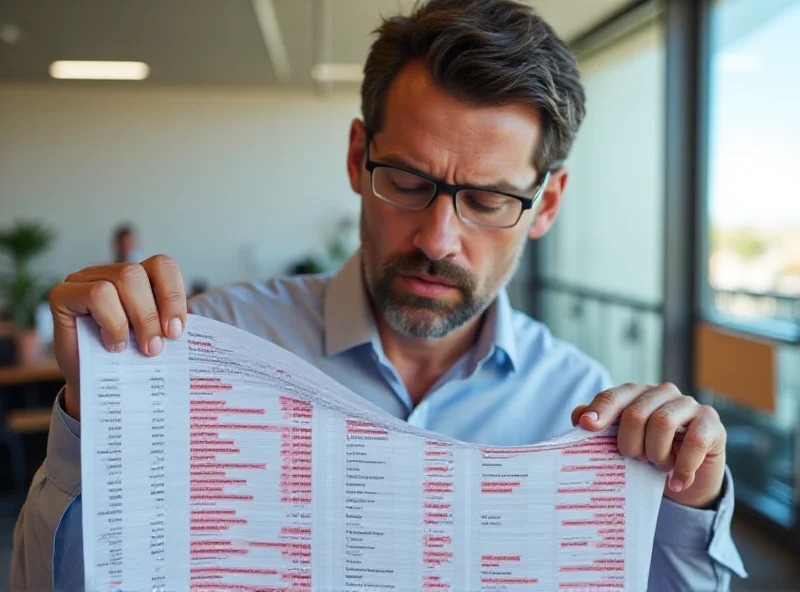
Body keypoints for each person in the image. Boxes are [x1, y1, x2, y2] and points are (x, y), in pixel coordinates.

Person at [12, 1, 747, 589]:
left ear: (548, 203)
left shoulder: (587, 415)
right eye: (408, 180)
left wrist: (688, 504)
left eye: (488, 199)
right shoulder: (203, 348)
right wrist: (91, 419)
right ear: (359, 157)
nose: (437, 237)